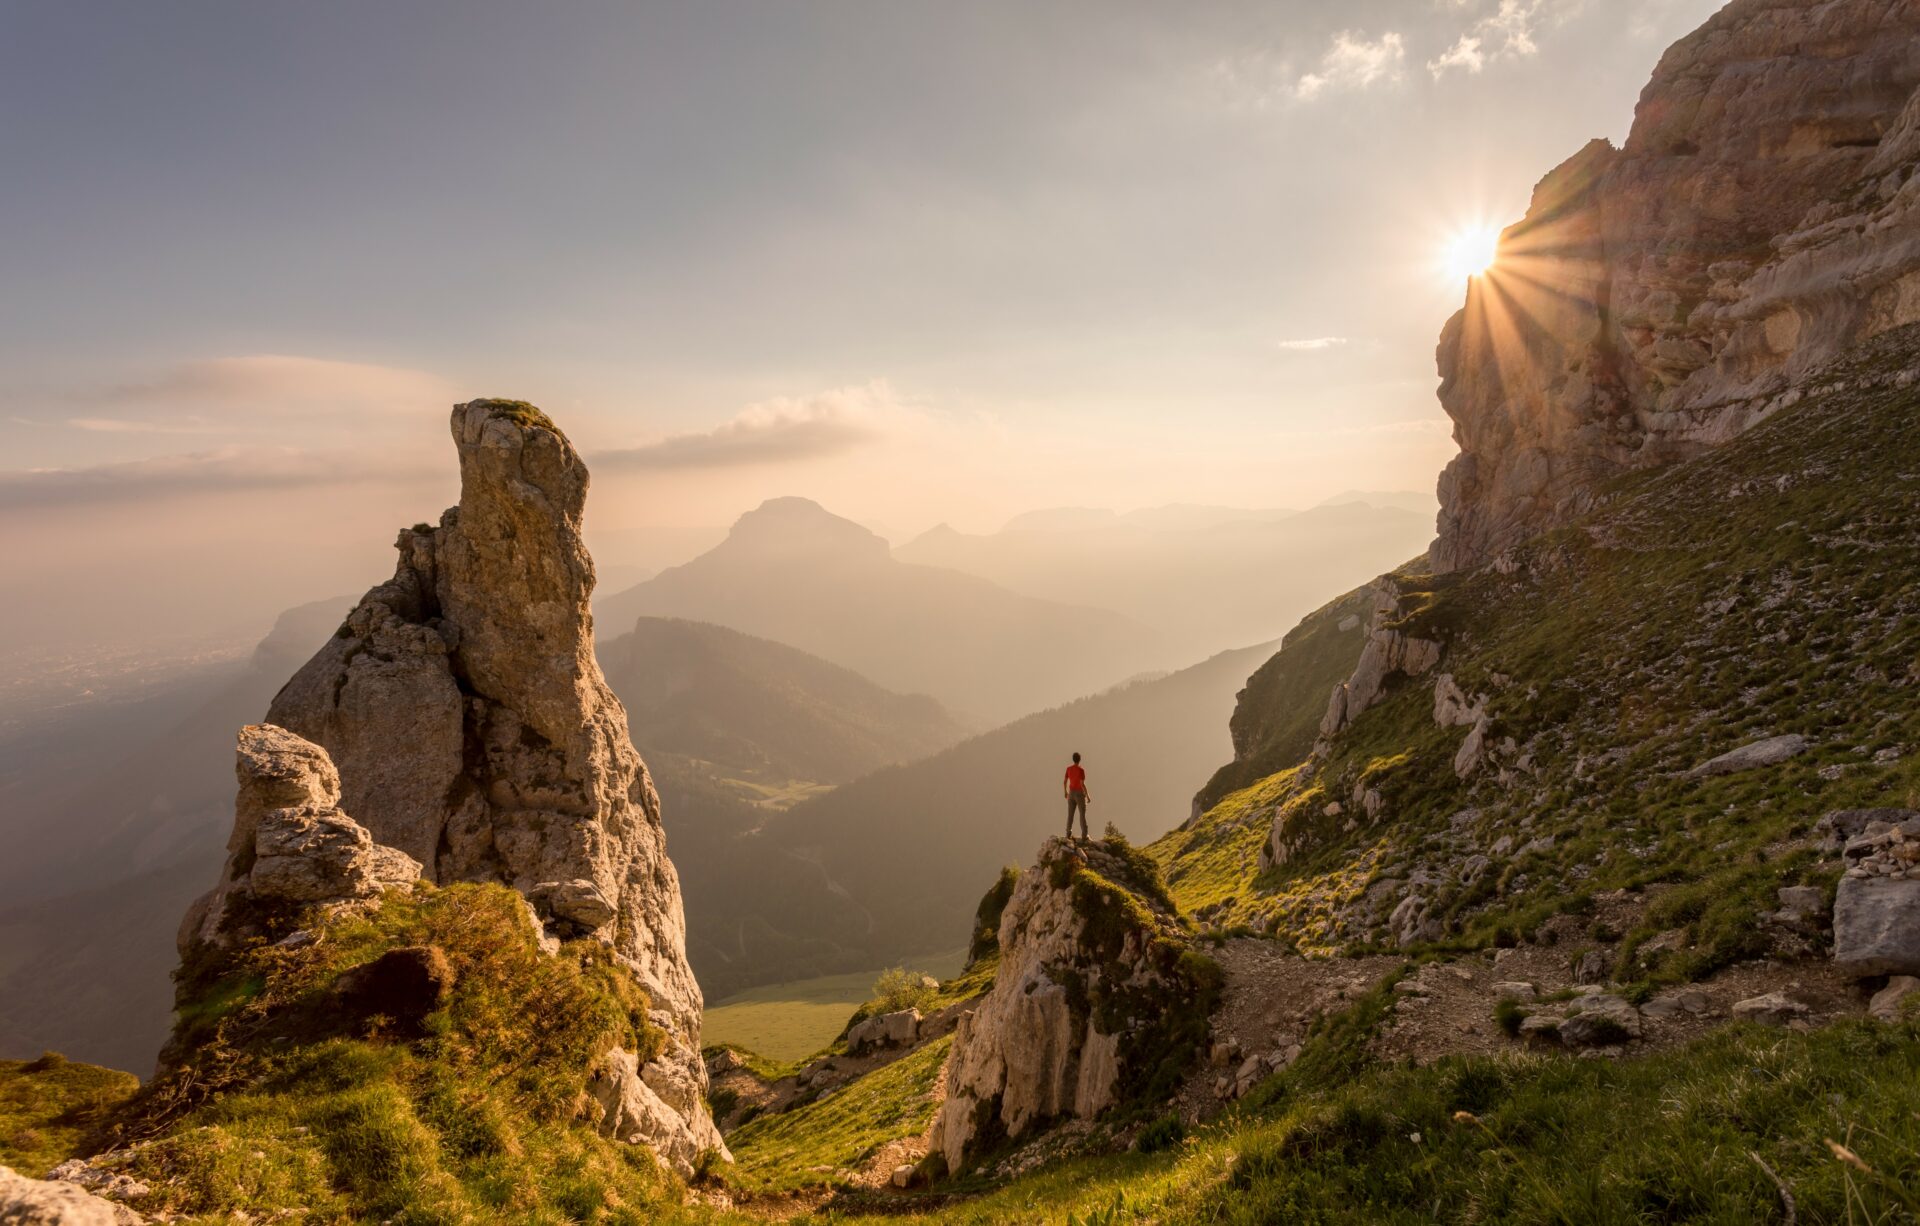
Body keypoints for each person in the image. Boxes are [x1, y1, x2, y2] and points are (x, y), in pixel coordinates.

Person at [1063, 751, 1090, 840]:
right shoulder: (1081, 770)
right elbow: (1082, 784)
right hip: (1079, 794)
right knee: (1082, 814)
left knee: (1070, 815)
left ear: (1073, 759)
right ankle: (1084, 835)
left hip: (1071, 793)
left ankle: (1068, 833)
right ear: (1080, 760)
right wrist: (1087, 795)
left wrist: (1065, 792)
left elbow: (1065, 781)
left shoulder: (1068, 769)